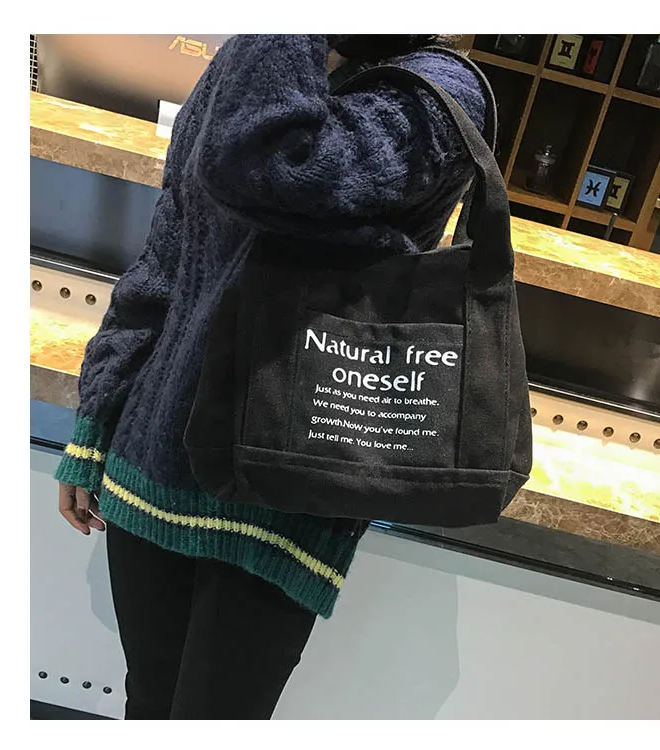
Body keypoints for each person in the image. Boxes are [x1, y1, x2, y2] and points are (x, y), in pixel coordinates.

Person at [55, 34, 487, 720]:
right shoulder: (256, 61)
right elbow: (170, 251)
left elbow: (263, 165)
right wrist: (96, 419)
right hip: (152, 455)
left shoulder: (435, 91)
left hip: (279, 487)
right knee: (148, 706)